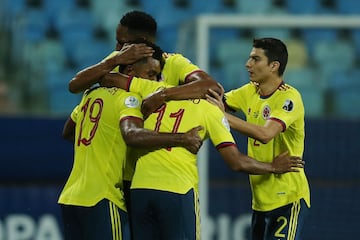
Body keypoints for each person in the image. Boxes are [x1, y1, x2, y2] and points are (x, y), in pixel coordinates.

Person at [115, 69, 304, 240]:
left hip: (139, 189)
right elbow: (236, 162)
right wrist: (272, 167)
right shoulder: (208, 109)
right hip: (177, 189)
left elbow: (111, 78)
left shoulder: (151, 93)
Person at [58, 41, 203, 240]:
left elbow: (68, 132)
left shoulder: (90, 94)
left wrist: (104, 137)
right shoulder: (129, 99)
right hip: (102, 197)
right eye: (150, 74)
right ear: (130, 71)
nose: (155, 81)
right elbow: (132, 134)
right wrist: (182, 139)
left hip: (70, 198)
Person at [207, 38, 310, 240]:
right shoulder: (249, 91)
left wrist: (222, 116)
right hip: (260, 203)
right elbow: (212, 106)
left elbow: (265, 134)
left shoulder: (289, 98)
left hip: (288, 198)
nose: (248, 64)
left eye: (255, 59)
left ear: (274, 66)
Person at [67, 10, 223, 118]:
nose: (117, 48)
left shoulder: (174, 62)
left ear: (143, 42)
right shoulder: (117, 59)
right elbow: (74, 86)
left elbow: (211, 86)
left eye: (122, 43)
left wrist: (162, 95)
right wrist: (114, 61)